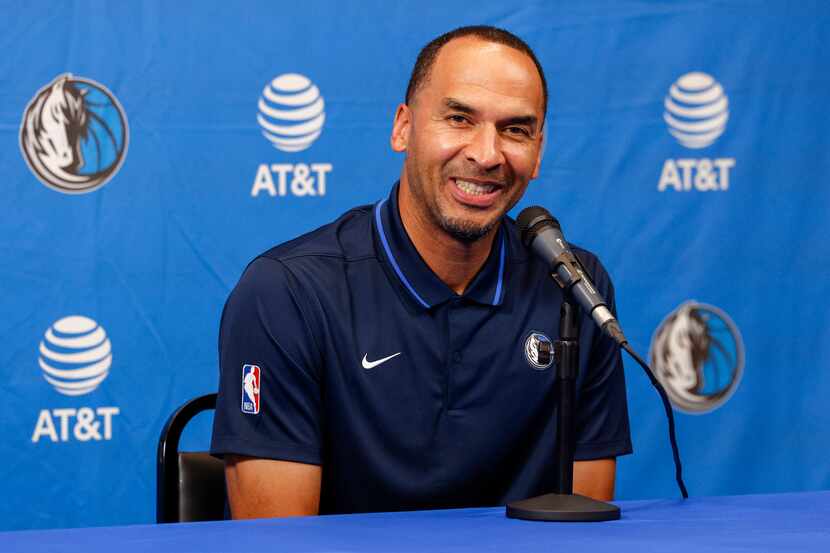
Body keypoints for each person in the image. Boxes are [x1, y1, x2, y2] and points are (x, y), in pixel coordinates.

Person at [210, 25, 632, 519]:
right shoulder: (287, 291)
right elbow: (277, 540)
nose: (486, 154)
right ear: (403, 128)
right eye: (459, 118)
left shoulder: (573, 285)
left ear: (538, 151)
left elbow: (583, 524)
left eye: (515, 130)